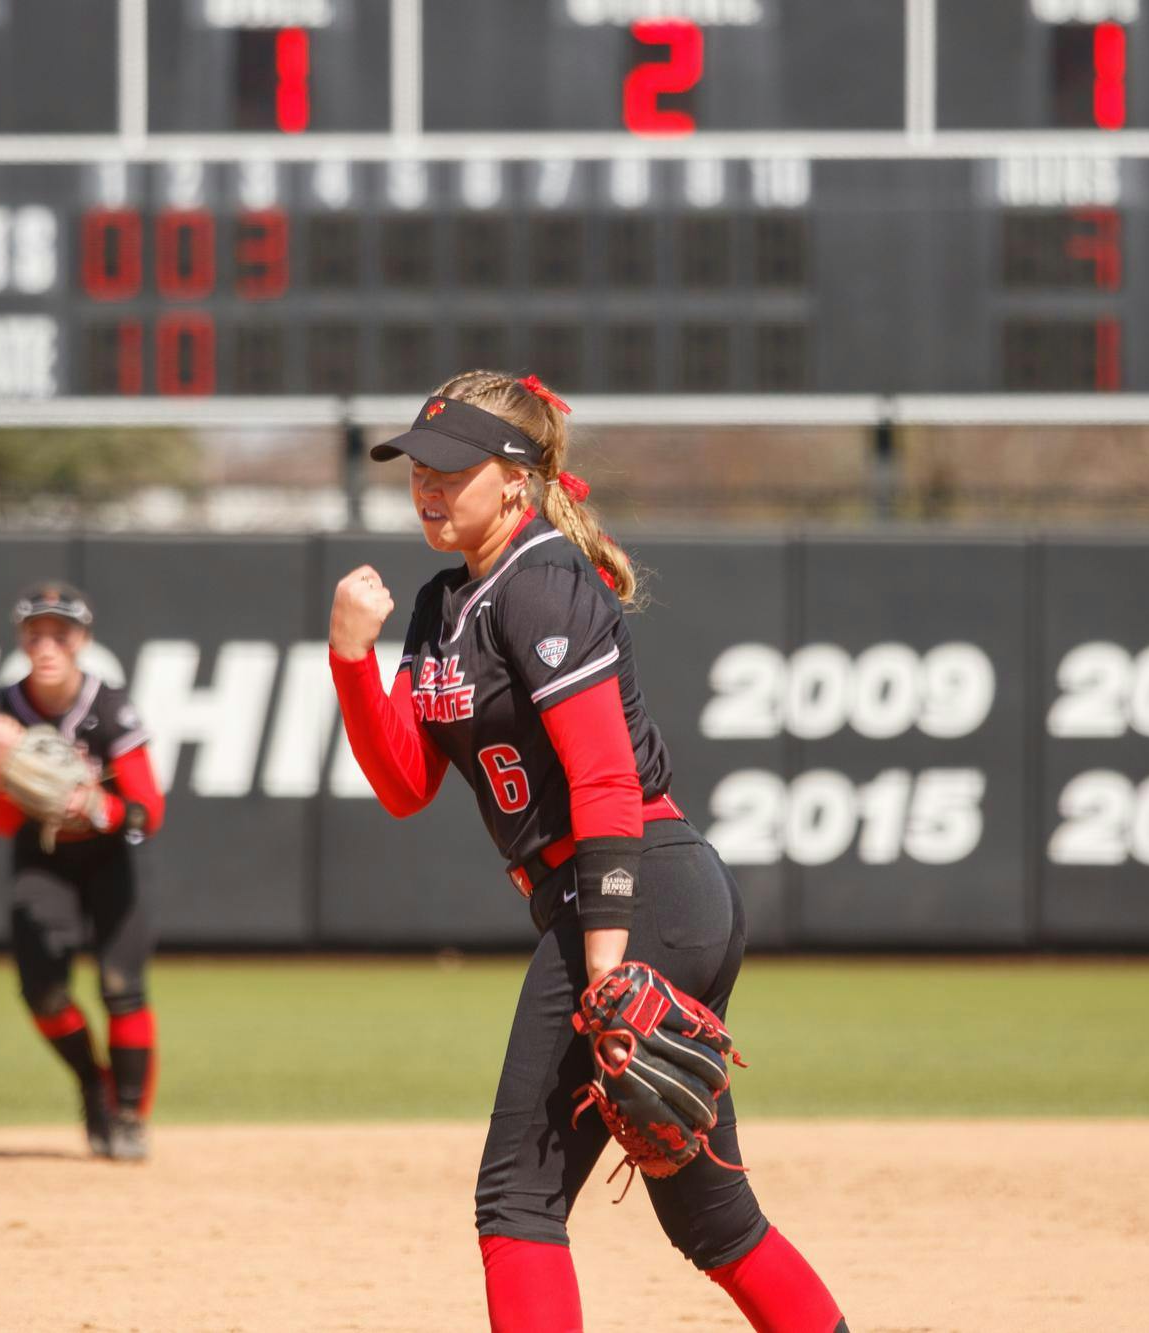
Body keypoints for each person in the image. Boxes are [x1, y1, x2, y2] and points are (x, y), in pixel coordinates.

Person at [327, 371, 846, 1331]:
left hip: (636, 887)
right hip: (640, 895)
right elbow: (404, 784)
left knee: (515, 1198)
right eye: (417, 467)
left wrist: (605, 962)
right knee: (712, 1219)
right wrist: (352, 662)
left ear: (517, 479)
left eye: (451, 466)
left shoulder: (543, 579)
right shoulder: (446, 604)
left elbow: (607, 779)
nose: (427, 485)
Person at [0, 582, 166, 1161]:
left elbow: (149, 811)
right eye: (36, 635)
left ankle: (130, 1116)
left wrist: (98, 807)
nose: (47, 646)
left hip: (106, 856)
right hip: (43, 857)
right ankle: (93, 1082)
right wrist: (4, 770)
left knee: (121, 987)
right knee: (44, 993)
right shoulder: (5, 709)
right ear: (22, 642)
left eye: (60, 634)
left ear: (81, 641)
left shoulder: (106, 705)